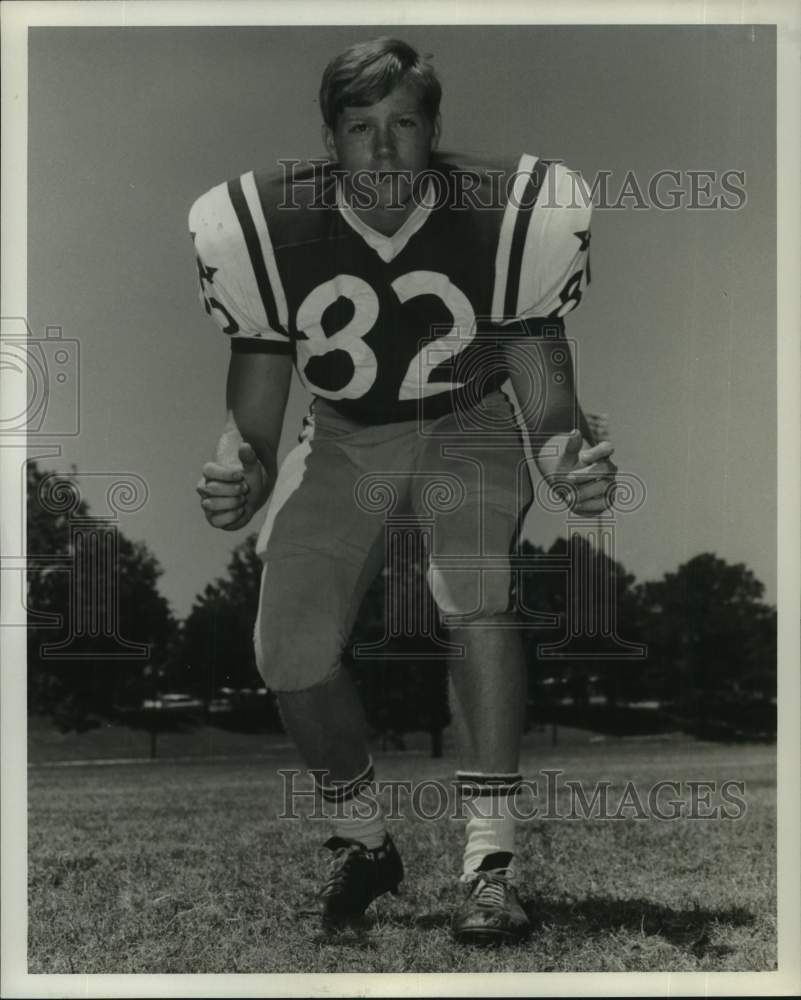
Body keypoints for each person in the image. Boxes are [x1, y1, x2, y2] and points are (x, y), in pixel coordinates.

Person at [190, 37, 616, 944]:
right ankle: (362, 839)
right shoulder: (263, 227)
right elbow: (256, 418)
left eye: (402, 125)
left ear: (433, 132)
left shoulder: (508, 215)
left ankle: (489, 861)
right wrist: (243, 468)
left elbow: (546, 400)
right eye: (359, 127)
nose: (381, 150)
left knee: (474, 593)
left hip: (466, 417)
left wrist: (567, 460)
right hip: (344, 432)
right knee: (287, 641)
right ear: (328, 137)